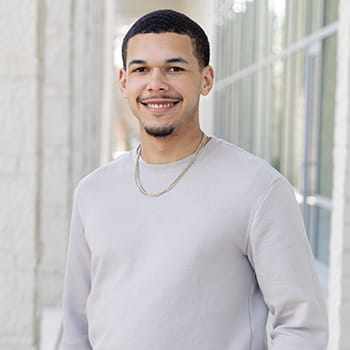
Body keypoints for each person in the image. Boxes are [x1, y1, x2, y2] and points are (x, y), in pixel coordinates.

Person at [61, 9, 328, 350]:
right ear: (124, 82)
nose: (156, 83)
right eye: (141, 69)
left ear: (206, 79)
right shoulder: (93, 192)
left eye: (174, 68)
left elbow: (302, 326)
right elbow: (75, 327)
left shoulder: (257, 187)